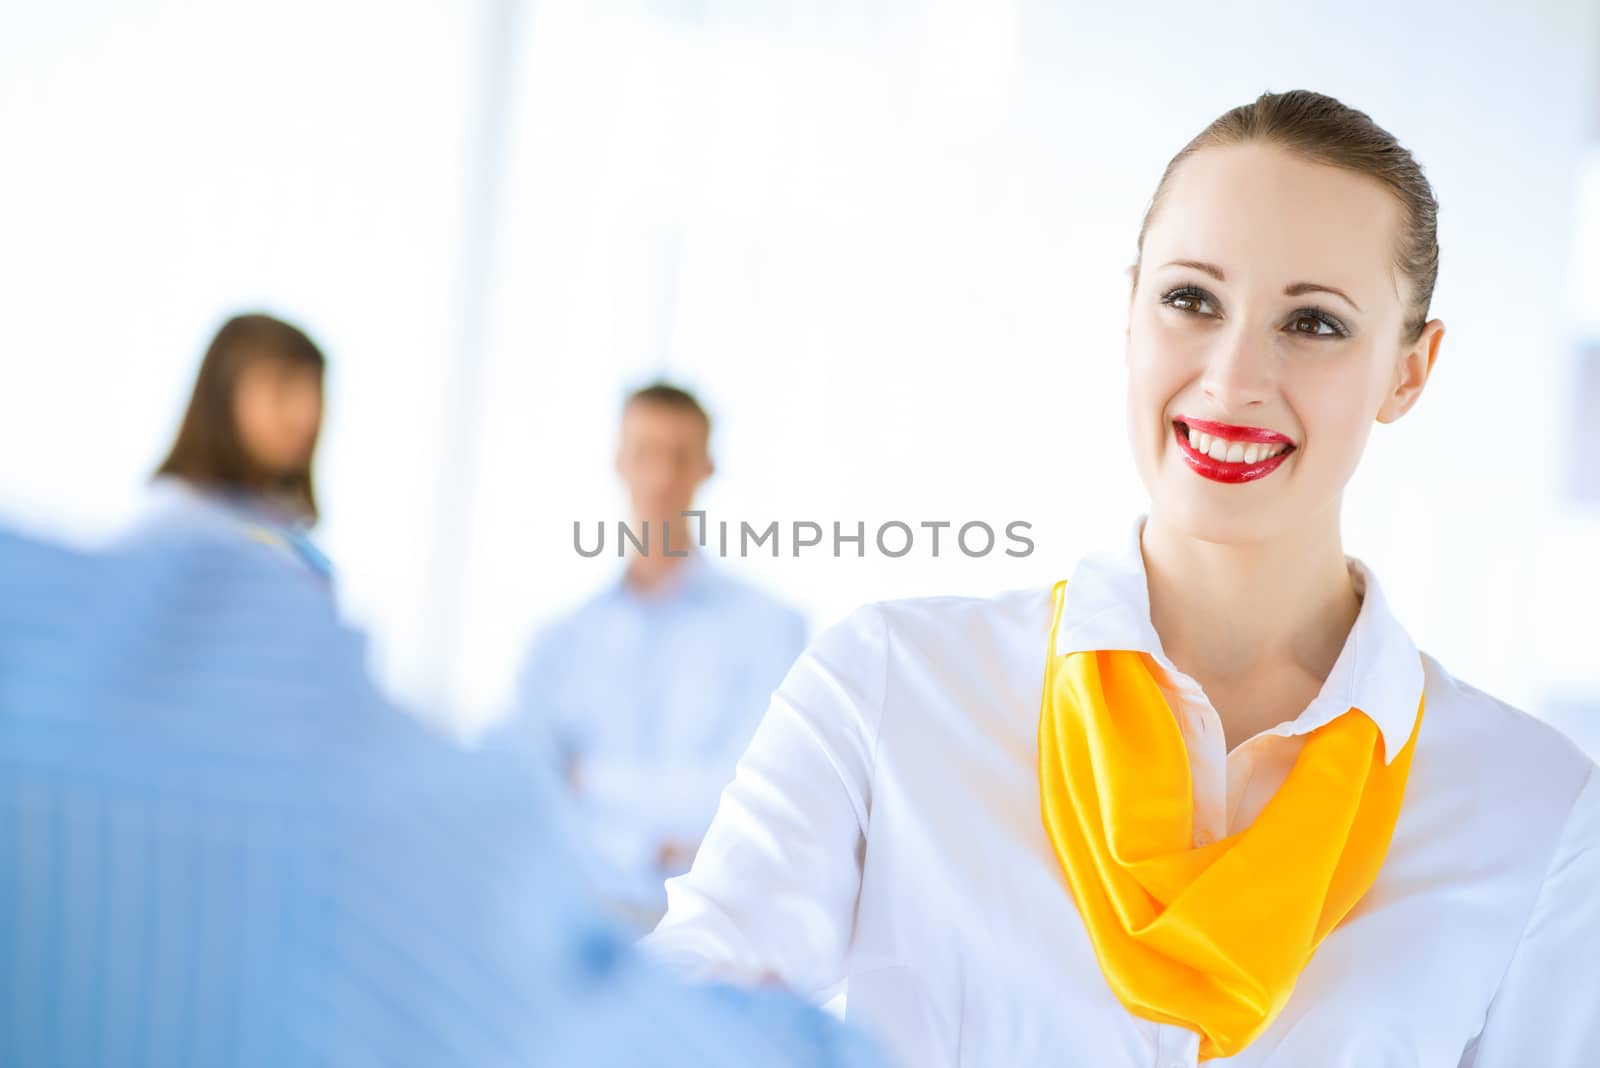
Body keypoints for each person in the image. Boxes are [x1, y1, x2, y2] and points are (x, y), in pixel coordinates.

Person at [642, 90, 1600, 1066]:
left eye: (1312, 323)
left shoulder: (1531, 807)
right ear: (1131, 308)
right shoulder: (891, 686)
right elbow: (665, 1026)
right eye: (1192, 300)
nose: (1232, 378)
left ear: (1410, 371)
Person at [0, 521, 880, 1068]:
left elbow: (689, 793)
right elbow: (533, 779)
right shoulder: (242, 758)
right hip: (598, 942)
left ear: (706, 468)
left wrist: (602, 793)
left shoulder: (770, 626)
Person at [514, 382, 807, 927]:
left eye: (680, 457)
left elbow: (746, 799)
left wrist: (594, 781)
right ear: (619, 462)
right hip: (572, 921)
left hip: (713, 930)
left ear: (707, 468)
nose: (661, 477)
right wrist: (660, 844)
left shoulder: (772, 630)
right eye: (646, 454)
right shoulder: (559, 643)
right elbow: (527, 795)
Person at [134, 312, 331, 579]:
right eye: (283, 389)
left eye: (315, 390)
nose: (307, 414)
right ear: (222, 395)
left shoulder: (287, 536)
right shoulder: (172, 532)